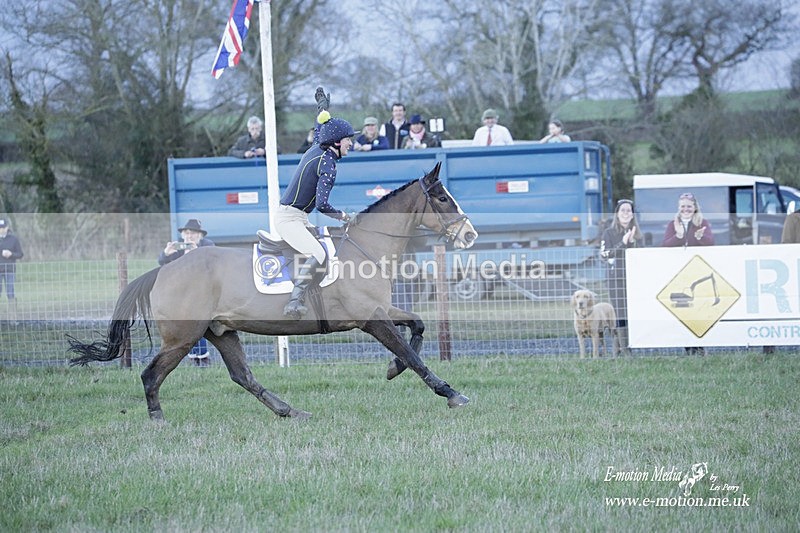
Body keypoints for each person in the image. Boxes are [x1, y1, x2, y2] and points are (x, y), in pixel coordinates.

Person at [275, 87, 354, 320]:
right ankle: (294, 301)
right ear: (337, 142)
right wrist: (345, 216)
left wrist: (323, 107)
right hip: (289, 219)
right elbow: (322, 204)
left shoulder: (317, 145)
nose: (351, 144)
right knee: (319, 253)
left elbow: (321, 125)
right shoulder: (328, 165)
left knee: (327, 249)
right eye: (349, 140)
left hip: (296, 216)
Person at [662, 192, 714, 355]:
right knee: (683, 308)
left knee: (698, 309)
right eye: (683, 206)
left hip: (697, 271)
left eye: (689, 206)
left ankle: (699, 346)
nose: (686, 209)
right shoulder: (672, 224)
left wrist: (700, 237)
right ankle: (687, 346)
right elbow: (665, 245)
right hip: (679, 272)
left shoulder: (702, 222)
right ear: (679, 208)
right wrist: (678, 236)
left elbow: (711, 242)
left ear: (695, 208)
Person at [158, 219, 215, 366]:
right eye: (187, 233)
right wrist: (166, 254)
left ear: (200, 235)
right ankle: (195, 356)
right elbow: (162, 262)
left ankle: (202, 357)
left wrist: (197, 252)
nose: (189, 236)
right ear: (183, 235)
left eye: (193, 233)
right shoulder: (178, 249)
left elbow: (213, 264)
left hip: (203, 292)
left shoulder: (207, 246)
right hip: (182, 294)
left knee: (197, 323)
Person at [599, 200, 642, 355]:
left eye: (628, 210)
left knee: (633, 312)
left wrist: (632, 243)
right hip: (615, 278)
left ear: (632, 214)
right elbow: (604, 255)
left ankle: (618, 350)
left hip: (634, 278)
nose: (625, 213)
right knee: (620, 312)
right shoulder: (609, 233)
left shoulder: (637, 233)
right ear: (617, 213)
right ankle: (625, 351)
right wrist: (623, 243)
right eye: (622, 210)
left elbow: (642, 255)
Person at [0, 218, 23, 308]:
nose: (1, 230)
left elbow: (20, 254)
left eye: (2, 228)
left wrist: (11, 254)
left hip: (9, 270)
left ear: (7, 228)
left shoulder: (14, 239)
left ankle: (13, 316)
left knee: (10, 292)